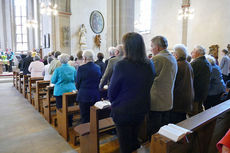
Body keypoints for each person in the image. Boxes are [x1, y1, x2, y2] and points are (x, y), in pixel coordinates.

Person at [108, 32, 155, 153]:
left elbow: (112, 92)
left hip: (123, 111)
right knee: (134, 140)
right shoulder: (149, 64)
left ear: (127, 47)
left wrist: (115, 102)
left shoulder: (121, 65)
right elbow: (149, 84)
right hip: (141, 108)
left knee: (124, 145)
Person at [149, 36, 178, 135]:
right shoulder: (172, 58)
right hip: (167, 99)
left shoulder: (158, 58)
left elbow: (149, 78)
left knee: (155, 131)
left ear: (157, 47)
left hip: (157, 100)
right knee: (164, 129)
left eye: (152, 46)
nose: (151, 49)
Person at [170, 44, 194, 124]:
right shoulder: (188, 64)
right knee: (182, 121)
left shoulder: (177, 65)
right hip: (187, 98)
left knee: (176, 123)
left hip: (178, 99)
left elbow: (173, 82)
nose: (172, 55)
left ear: (176, 55)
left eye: (173, 53)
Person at [76, 50, 101, 123]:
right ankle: (93, 132)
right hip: (95, 94)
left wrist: (80, 89)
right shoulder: (97, 67)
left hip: (84, 95)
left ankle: (86, 133)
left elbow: (78, 83)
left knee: (85, 116)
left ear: (84, 58)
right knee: (94, 116)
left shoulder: (81, 68)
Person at [51, 53, 77, 126]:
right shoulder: (73, 68)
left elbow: (53, 81)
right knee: (70, 106)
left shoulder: (58, 70)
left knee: (60, 107)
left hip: (60, 91)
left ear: (60, 61)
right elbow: (76, 79)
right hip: (71, 90)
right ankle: (70, 122)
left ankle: (62, 123)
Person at [190, 45, 212, 115]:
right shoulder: (207, 62)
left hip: (196, 93)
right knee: (199, 111)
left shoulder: (195, 63)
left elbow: (190, 78)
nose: (191, 53)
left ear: (197, 53)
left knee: (194, 113)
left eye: (193, 51)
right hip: (203, 92)